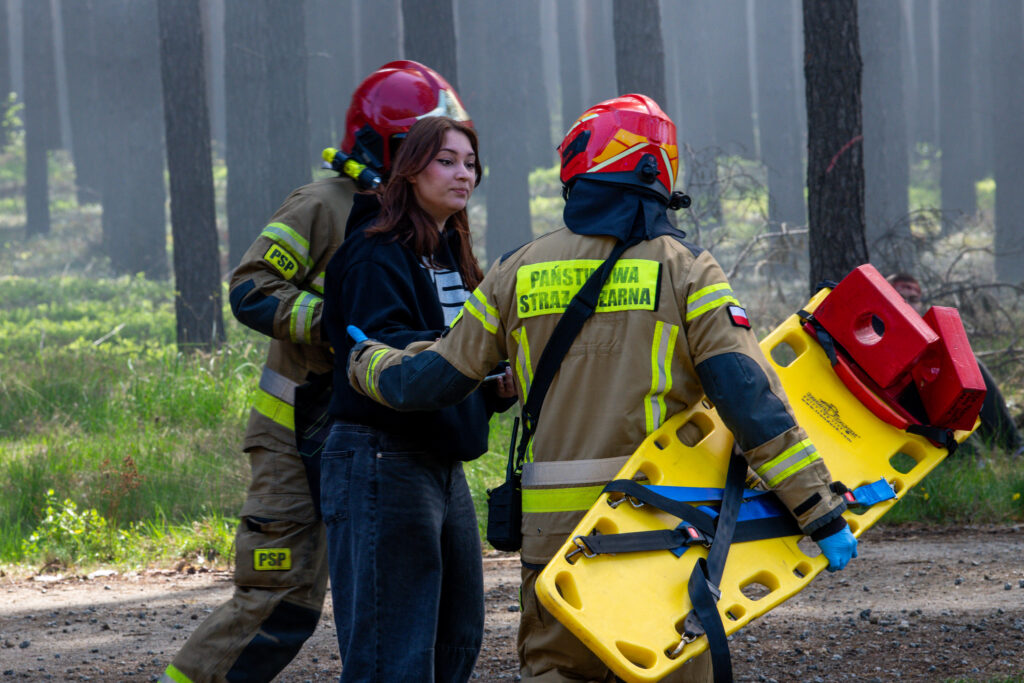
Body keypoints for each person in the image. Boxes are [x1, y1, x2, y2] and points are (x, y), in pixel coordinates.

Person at [345, 94, 858, 683]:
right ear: (655, 169)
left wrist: (366, 360)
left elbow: (429, 381)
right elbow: (750, 401)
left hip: (553, 544)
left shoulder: (520, 268)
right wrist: (818, 509)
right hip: (658, 532)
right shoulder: (686, 269)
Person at [159, 61, 474, 683]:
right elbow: (250, 288)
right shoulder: (325, 204)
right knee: (282, 600)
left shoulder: (429, 221)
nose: (456, 169)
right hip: (298, 430)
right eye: (435, 151)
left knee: (436, 618)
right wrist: (335, 320)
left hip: (384, 432)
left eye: (459, 156)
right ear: (395, 145)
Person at [320, 115, 515, 682]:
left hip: (439, 461)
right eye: (447, 161)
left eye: (471, 163)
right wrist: (472, 369)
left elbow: (456, 361)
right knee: (392, 651)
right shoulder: (374, 252)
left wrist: (494, 384)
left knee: (456, 638)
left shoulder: (449, 249)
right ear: (410, 170)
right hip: (382, 457)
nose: (464, 175)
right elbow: (390, 357)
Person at [887, 272, 1023, 456]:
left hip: (935, 394)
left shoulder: (931, 331)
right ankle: (971, 457)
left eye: (914, 299)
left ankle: (1013, 446)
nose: (910, 304)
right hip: (900, 401)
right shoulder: (879, 327)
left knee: (971, 368)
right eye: (903, 298)